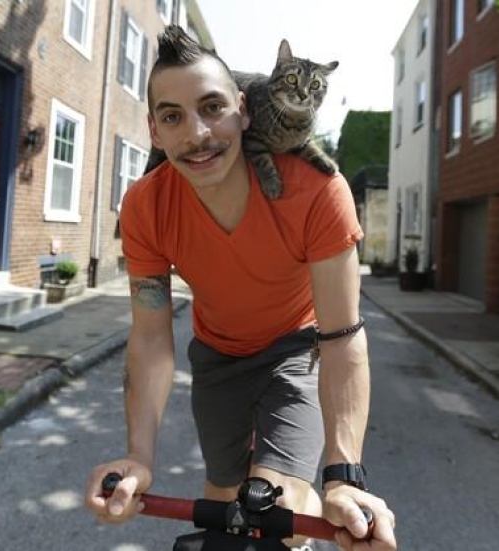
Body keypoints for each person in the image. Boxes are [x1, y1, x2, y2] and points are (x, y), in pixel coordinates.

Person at [84, 25, 396, 551]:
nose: (198, 134)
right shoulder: (145, 206)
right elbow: (151, 337)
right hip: (218, 355)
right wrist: (139, 456)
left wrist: (344, 475)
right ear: (155, 132)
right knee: (225, 504)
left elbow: (342, 335)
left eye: (212, 107)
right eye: (172, 116)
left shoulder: (320, 191)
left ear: (245, 111)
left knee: (277, 508)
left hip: (296, 349)